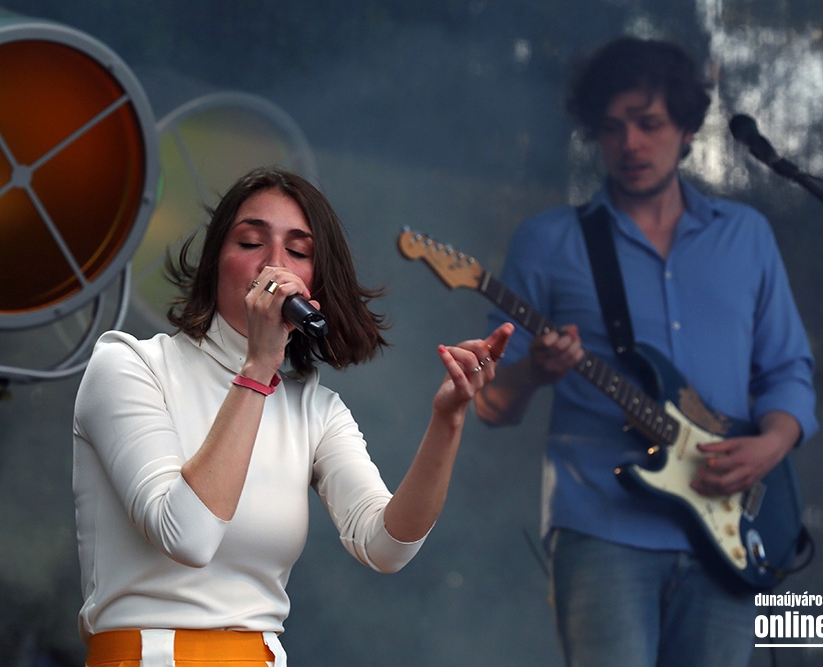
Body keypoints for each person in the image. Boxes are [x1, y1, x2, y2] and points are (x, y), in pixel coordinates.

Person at [73, 166, 514, 666]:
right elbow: (187, 536)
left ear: (314, 286)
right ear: (215, 261)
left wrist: (448, 420)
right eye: (250, 242)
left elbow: (386, 546)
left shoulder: (314, 408)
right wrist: (258, 367)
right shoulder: (130, 365)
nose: (274, 266)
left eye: (298, 252)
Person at [474, 37, 817, 666]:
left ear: (686, 129)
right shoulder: (549, 242)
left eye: (648, 123)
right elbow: (489, 404)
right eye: (612, 128)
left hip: (732, 528)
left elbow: (787, 370)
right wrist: (533, 372)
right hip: (602, 528)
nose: (629, 143)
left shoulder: (746, 237)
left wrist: (770, 445)